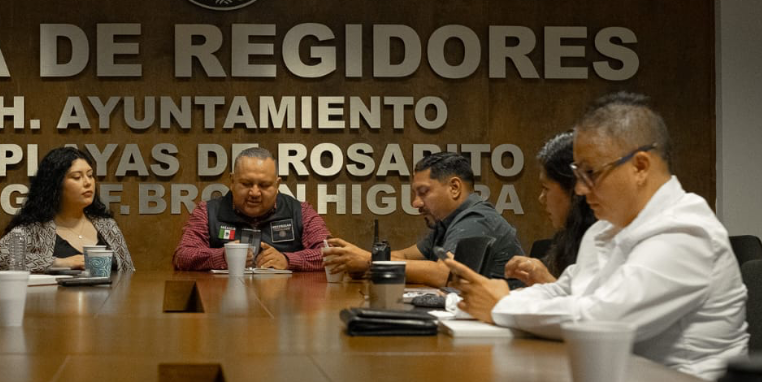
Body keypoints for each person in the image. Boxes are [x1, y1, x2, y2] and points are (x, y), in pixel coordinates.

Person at [443, 92, 748, 380]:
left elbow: (604, 321)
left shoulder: (686, 232)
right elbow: (565, 292)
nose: (580, 189)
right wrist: (487, 295)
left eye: (591, 173)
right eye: (578, 175)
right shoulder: (607, 228)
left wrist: (502, 304)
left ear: (640, 166)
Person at [323, 152, 522, 286]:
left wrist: (369, 260)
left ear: (454, 187)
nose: (415, 203)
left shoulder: (476, 219)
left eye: (424, 192)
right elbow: (406, 257)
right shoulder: (447, 223)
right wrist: (361, 259)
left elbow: (444, 274)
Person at [173, 147, 330, 271]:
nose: (254, 193)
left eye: (264, 185)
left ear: (277, 184)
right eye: (246, 184)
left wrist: (288, 260)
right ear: (232, 181)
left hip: (283, 305)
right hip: (222, 302)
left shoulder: (300, 211)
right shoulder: (207, 212)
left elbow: (332, 254)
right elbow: (183, 255)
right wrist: (223, 257)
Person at [0, 146, 134, 272]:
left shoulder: (107, 226)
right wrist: (59, 263)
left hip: (111, 301)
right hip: (55, 303)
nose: (87, 182)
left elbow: (129, 270)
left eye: (90, 175)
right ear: (55, 185)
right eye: (77, 177)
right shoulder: (36, 229)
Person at [504, 131, 598, 286]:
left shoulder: (606, 238)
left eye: (546, 188)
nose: (541, 198)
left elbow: (590, 308)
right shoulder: (572, 237)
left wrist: (545, 281)